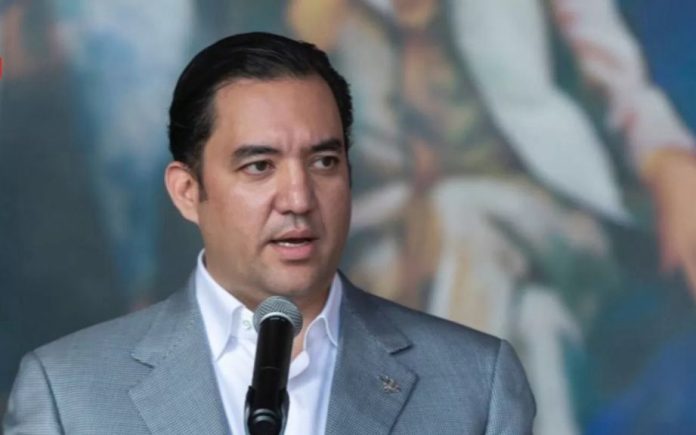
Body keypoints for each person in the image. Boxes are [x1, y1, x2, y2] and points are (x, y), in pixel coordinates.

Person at [3, 32, 535, 434]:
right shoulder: (66, 393)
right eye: (259, 166)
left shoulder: (476, 382)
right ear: (187, 191)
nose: (299, 198)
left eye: (324, 162)